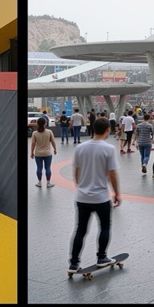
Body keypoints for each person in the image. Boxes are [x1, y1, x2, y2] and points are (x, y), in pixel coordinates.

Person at [68, 117, 121, 274]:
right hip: (101, 198)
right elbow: (112, 174)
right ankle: (102, 257)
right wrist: (117, 193)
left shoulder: (80, 148)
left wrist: (80, 187)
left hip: (82, 197)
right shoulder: (108, 149)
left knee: (80, 230)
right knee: (104, 227)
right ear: (107, 130)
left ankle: (73, 263)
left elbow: (76, 170)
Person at [31, 116, 56, 188]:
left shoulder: (34, 133)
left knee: (39, 168)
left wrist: (31, 152)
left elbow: (33, 144)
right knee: (47, 168)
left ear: (37, 124)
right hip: (47, 153)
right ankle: (48, 183)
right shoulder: (49, 132)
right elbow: (53, 141)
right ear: (45, 123)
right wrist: (55, 149)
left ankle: (39, 182)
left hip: (38, 153)